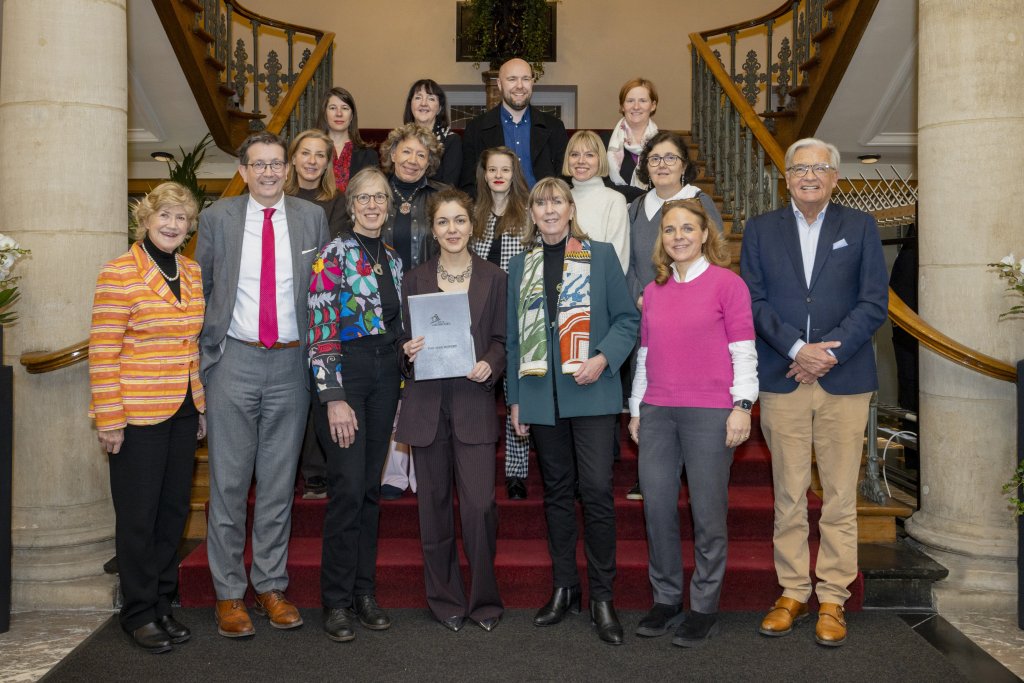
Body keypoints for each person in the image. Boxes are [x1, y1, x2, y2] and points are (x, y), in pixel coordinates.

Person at [741, 138, 888, 647]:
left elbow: (874, 302)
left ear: (834, 177)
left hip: (844, 381)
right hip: (783, 377)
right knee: (788, 494)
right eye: (799, 168)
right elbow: (754, 302)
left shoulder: (861, 227)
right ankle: (792, 590)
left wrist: (828, 353)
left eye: (819, 168)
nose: (809, 175)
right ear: (786, 178)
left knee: (841, 497)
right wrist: (797, 349)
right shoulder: (761, 230)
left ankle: (832, 598)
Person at [196, 131, 330, 638]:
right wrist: (203, 366)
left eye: (278, 163)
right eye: (260, 164)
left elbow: (318, 289)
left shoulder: (310, 217)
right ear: (244, 170)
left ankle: (270, 585)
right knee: (229, 484)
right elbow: (203, 289)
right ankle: (229, 594)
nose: (270, 172)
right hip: (234, 360)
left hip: (291, 367)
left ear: (288, 168)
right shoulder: (217, 219)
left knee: (277, 485)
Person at [506, 178, 640, 645]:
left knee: (598, 492)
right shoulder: (521, 264)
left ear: (570, 208)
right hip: (543, 397)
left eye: (556, 201)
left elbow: (628, 319)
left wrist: (603, 356)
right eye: (540, 202)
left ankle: (603, 597)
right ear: (533, 212)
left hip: (592, 394)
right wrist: (516, 399)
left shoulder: (599, 255)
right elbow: (515, 336)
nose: (548, 209)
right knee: (558, 495)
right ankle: (565, 588)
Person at [627, 199, 757, 648]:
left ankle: (703, 606)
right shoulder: (655, 291)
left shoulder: (728, 285)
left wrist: (743, 404)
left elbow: (743, 350)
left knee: (707, 514)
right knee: (657, 509)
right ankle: (666, 599)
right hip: (659, 411)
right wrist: (636, 409)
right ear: (660, 239)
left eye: (687, 228)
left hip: (711, 412)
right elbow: (644, 355)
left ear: (705, 234)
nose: (678, 236)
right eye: (669, 229)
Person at [88, 182, 205, 654]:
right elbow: (102, 350)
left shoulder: (192, 271)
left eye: (181, 218)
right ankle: (136, 612)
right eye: (165, 216)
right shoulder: (119, 272)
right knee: (138, 516)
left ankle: (161, 601)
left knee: (173, 511)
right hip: (135, 413)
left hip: (182, 407)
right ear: (147, 219)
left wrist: (199, 406)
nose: (173, 224)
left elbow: (190, 344)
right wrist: (109, 417)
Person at [396, 188, 507, 632]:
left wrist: (491, 364)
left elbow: (502, 340)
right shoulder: (415, 278)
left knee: (480, 508)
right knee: (434, 509)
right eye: (444, 222)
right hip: (426, 407)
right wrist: (406, 351)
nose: (453, 229)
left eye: (460, 220)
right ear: (434, 229)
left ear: (472, 225)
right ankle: (445, 601)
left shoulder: (494, 278)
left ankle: (484, 602)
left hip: (472, 404)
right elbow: (401, 348)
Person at [308, 167, 404, 643]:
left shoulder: (392, 258)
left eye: (379, 198)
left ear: (389, 206)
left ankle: (364, 592)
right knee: (346, 488)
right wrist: (333, 398)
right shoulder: (332, 254)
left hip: (386, 376)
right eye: (363, 197)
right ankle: (336, 600)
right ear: (351, 205)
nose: (371, 205)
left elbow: (393, 324)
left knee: (369, 487)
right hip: (346, 374)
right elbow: (321, 329)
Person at [623, 131, 724, 501]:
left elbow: (713, 253)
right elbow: (628, 261)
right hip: (646, 314)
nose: (662, 165)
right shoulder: (635, 207)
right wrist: (640, 297)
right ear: (645, 167)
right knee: (647, 386)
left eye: (670, 158)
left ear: (684, 165)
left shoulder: (698, 201)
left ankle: (688, 467)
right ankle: (652, 471)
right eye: (654, 159)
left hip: (691, 316)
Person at [377, 123, 447, 499]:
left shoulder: (440, 196)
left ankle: (423, 470)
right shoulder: (374, 192)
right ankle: (391, 472)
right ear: (392, 154)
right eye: (406, 152)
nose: (413, 160)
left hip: (425, 299)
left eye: (421, 154)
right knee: (389, 385)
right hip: (380, 301)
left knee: (421, 387)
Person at [468, 146, 532, 500]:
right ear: (484, 173)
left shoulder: (526, 215)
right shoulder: (472, 213)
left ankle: (516, 472)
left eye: (505, 169)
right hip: (479, 316)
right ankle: (476, 462)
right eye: (492, 169)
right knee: (478, 395)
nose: (498, 175)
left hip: (518, 315)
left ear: (514, 173)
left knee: (514, 396)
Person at [459, 57, 568, 195]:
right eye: (512, 79)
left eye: (526, 79)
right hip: (495, 212)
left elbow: (564, 178)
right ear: (499, 84)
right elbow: (468, 185)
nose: (520, 85)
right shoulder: (476, 129)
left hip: (543, 210)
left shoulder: (554, 127)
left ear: (532, 82)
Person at [565, 130, 629, 272]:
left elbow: (618, 259)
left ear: (600, 159)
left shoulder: (615, 200)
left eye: (589, 155)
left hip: (600, 287)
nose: (581, 161)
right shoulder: (561, 198)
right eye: (574, 154)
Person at [285, 128, 350, 240]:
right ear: (294, 159)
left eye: (320, 155)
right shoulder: (278, 196)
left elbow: (331, 246)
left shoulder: (339, 201)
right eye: (305, 153)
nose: (312, 161)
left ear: (326, 164)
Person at [605, 77, 659, 200]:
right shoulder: (604, 143)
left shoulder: (664, 144)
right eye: (630, 101)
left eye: (643, 100)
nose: (636, 106)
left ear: (653, 106)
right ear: (622, 106)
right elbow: (603, 185)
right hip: (613, 213)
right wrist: (642, 195)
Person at [403, 78, 462, 186]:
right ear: (410, 105)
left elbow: (450, 186)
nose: (423, 103)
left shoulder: (451, 141)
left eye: (431, 99)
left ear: (439, 108)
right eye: (418, 97)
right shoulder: (400, 139)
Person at [318, 86, 377, 193]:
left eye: (345, 108)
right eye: (332, 108)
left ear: (351, 116)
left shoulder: (369, 155)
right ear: (325, 114)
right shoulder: (313, 151)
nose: (339, 114)